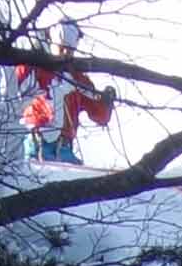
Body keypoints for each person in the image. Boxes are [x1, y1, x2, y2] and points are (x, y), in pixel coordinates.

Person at [17, 20, 116, 165]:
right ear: (51, 43)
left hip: (64, 148)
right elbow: (13, 85)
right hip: (36, 141)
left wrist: (106, 102)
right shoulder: (35, 68)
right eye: (61, 48)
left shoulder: (78, 80)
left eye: (70, 50)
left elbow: (99, 115)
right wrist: (28, 58)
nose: (65, 54)